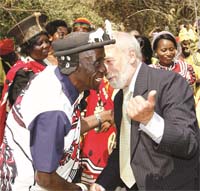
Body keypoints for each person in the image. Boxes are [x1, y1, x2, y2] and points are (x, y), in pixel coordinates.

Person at [4, 29, 115, 190]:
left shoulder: (54, 76)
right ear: (74, 65)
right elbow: (45, 179)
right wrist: (79, 189)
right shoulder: (53, 108)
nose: (104, 69)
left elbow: (67, 129)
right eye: (97, 63)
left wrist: (104, 116)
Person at [90, 31, 200, 191]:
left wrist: (151, 121)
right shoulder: (120, 97)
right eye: (101, 63)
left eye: (109, 61)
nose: (103, 69)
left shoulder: (170, 83)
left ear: (132, 56)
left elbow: (189, 143)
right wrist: (103, 183)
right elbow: (125, 149)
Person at [72, 18, 117, 185]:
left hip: (105, 111)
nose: (81, 33)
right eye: (77, 30)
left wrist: (109, 115)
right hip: (85, 115)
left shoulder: (98, 55)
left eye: (84, 30)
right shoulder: (69, 58)